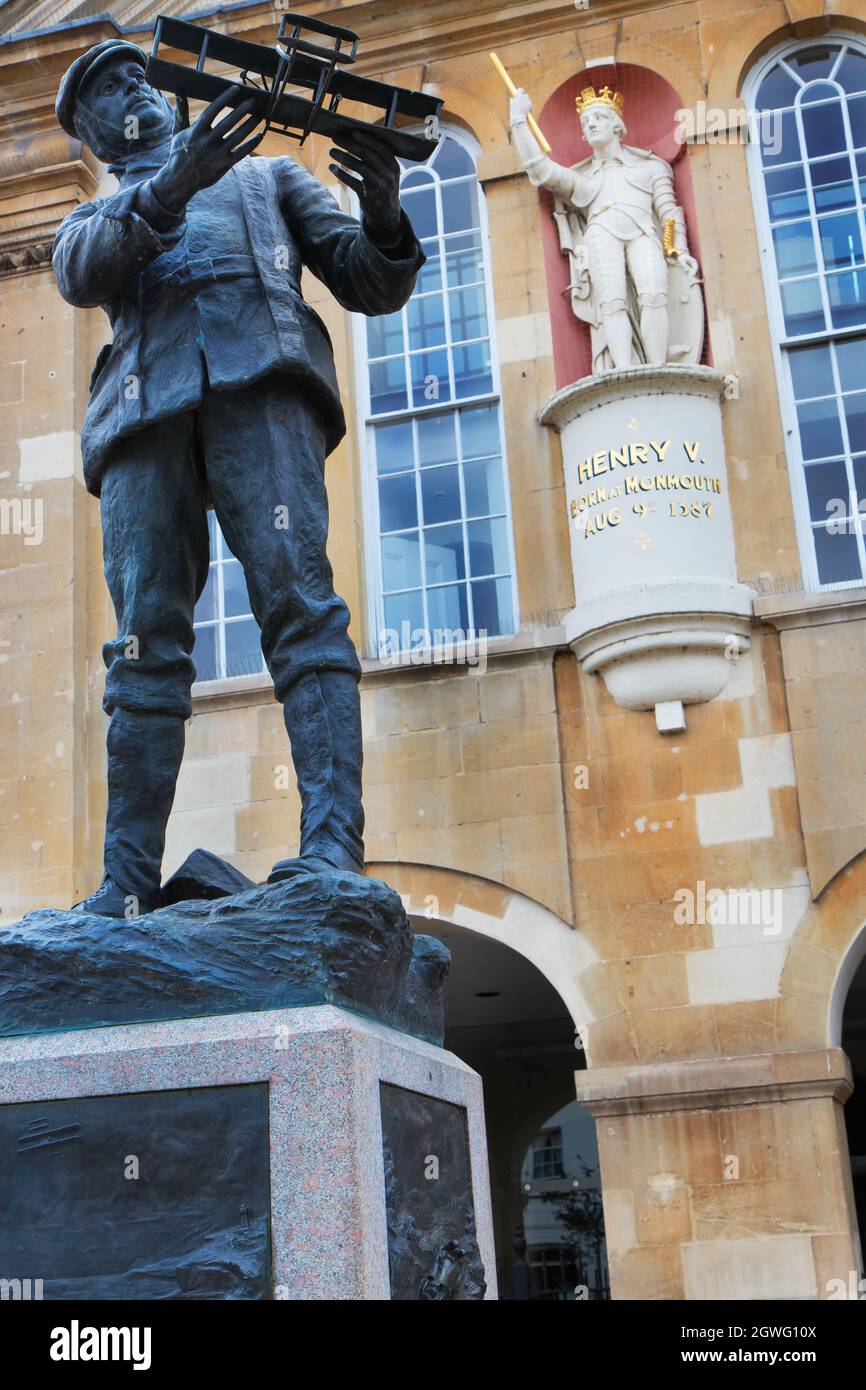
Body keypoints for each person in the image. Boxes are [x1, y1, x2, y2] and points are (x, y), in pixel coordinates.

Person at [53, 38, 425, 917]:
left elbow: (368, 281)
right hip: (145, 419)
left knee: (302, 606)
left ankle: (332, 844)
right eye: (109, 89)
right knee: (144, 646)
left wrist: (381, 209)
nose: (136, 88)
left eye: (138, 74)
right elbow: (83, 272)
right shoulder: (97, 213)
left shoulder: (266, 181)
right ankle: (126, 882)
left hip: (263, 392)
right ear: (94, 134)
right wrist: (174, 182)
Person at [509, 84, 700, 372]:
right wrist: (518, 122)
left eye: (598, 117)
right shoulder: (583, 178)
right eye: (586, 122)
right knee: (611, 303)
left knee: (654, 295)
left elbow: (668, 211)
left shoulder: (652, 167)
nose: (591, 124)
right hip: (601, 235)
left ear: (617, 124)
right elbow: (540, 170)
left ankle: (658, 368)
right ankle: (624, 370)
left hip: (644, 233)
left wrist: (679, 248)